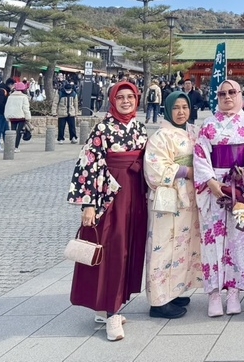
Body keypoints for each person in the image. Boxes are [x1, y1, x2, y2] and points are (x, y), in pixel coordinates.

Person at [67, 81, 147, 342]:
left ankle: (109, 306)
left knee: (127, 249)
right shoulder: (103, 127)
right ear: (112, 100)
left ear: (137, 100)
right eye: (120, 97)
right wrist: (89, 203)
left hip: (135, 194)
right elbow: (89, 164)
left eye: (130, 97)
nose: (126, 101)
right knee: (112, 249)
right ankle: (111, 311)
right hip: (110, 195)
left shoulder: (137, 126)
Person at [194, 79, 244, 317]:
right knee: (213, 240)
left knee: (239, 238)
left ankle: (233, 290)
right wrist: (211, 182)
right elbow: (200, 155)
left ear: (240, 94)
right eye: (222, 93)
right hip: (215, 184)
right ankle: (214, 293)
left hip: (242, 186)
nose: (227, 97)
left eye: (232, 92)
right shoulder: (209, 125)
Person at [143, 91, 203, 319]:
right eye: (176, 108)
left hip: (188, 198)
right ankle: (159, 301)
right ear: (167, 109)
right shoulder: (160, 136)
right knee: (163, 247)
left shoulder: (192, 132)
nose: (180, 112)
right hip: (168, 199)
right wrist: (187, 171)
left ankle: (175, 290)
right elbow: (154, 168)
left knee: (183, 245)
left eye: (184, 107)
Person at [4, 82, 32, 152]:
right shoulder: (24, 97)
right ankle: (16, 147)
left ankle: (11, 146)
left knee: (13, 131)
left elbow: (7, 107)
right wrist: (28, 118)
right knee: (19, 132)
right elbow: (26, 108)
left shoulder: (10, 96)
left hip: (12, 117)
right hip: (21, 117)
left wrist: (7, 116)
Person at [0, 78, 14, 152]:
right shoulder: (2, 91)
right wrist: (6, 108)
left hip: (2, 113)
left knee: (6, 130)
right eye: (13, 85)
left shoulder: (3, 90)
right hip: (0, 113)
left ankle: (7, 144)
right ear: (10, 84)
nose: (13, 87)